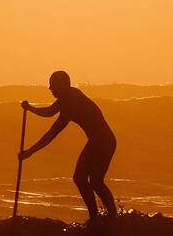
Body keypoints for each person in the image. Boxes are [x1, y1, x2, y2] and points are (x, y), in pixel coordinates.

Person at [19, 70, 118, 220]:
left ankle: (108, 218)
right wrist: (30, 108)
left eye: (52, 85)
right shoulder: (69, 97)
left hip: (103, 141)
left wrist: (30, 151)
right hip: (98, 141)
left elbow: (52, 131)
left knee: (93, 180)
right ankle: (98, 218)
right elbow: (50, 112)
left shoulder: (71, 101)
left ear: (62, 86)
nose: (50, 88)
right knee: (84, 179)